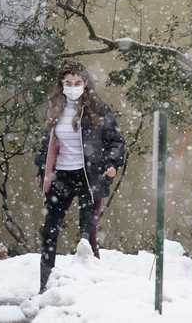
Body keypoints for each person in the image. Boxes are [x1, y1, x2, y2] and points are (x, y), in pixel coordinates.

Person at [34, 61, 125, 293]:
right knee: (50, 230)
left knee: (87, 234)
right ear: (61, 85)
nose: (73, 87)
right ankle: (45, 286)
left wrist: (112, 163)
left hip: (89, 176)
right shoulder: (55, 109)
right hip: (61, 176)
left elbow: (115, 141)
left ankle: (89, 287)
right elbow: (45, 146)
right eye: (68, 83)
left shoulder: (98, 108)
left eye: (77, 82)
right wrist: (41, 170)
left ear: (85, 83)